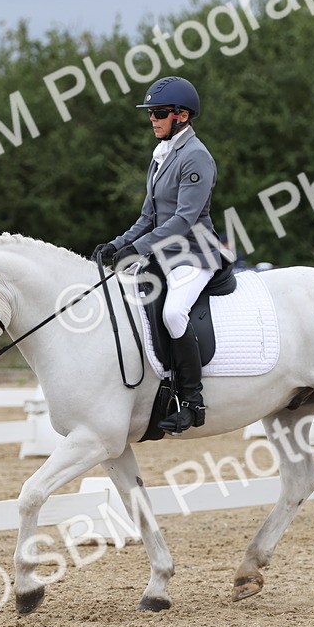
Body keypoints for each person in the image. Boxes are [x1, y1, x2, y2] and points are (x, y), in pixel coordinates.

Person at [91, 76, 225, 434]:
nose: (153, 119)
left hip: (195, 254)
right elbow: (148, 217)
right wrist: (117, 244)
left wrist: (138, 248)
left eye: (160, 113)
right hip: (164, 255)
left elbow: (183, 219)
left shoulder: (196, 156)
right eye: (151, 113)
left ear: (182, 116)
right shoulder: (162, 156)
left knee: (173, 313)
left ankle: (193, 402)